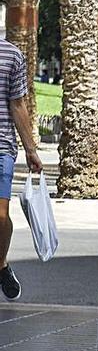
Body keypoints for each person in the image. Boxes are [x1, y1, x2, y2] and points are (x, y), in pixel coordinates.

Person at [0, 39, 43, 300]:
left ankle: (1, 264)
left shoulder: (11, 55)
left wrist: (30, 149)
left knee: (1, 217)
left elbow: (18, 104)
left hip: (1, 146)